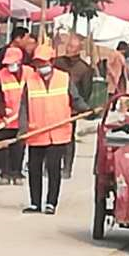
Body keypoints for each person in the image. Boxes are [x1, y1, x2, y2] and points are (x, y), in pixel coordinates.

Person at [17, 44, 89, 215]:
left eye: (43, 63)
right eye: (38, 64)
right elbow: (24, 107)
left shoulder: (64, 78)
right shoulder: (31, 81)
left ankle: (51, 203)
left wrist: (87, 110)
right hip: (36, 132)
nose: (40, 67)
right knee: (34, 168)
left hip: (58, 132)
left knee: (53, 168)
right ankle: (35, 203)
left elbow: (75, 99)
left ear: (51, 61)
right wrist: (23, 128)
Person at [52, 42, 95, 180]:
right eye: (68, 47)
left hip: (72, 109)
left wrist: (80, 107)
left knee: (68, 139)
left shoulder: (84, 69)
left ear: (79, 50)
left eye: (72, 47)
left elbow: (86, 91)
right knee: (51, 138)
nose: (69, 49)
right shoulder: (58, 63)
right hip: (54, 105)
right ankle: (51, 166)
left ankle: (67, 167)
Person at [0, 47, 27, 186]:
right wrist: (2, 114)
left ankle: (16, 172)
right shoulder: (0, 75)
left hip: (22, 118)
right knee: (3, 148)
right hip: (6, 117)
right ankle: (4, 173)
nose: (10, 66)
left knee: (19, 148)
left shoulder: (29, 73)